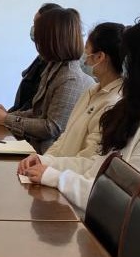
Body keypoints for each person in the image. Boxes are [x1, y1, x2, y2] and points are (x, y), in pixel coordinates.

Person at [18, 16, 140, 212]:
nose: (123, 67)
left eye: (128, 59)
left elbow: (125, 198)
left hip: (126, 226)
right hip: (102, 215)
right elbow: (97, 165)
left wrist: (55, 177)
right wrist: (48, 163)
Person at [0, 8, 93, 152]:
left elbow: (52, 127)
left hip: (48, 155)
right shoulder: (53, 67)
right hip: (34, 146)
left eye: (40, 36)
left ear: (51, 40)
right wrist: (4, 116)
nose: (37, 41)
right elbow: (37, 112)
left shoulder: (71, 78)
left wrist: (5, 119)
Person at [39, 22, 125, 159]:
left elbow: (88, 158)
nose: (83, 56)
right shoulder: (91, 90)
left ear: (100, 57)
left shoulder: (114, 102)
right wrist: (43, 159)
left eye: (87, 49)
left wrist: (48, 166)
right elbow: (65, 137)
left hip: (67, 171)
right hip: (56, 168)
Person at [9, 2, 62, 112]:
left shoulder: (58, 65)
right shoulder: (42, 57)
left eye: (37, 25)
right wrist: (6, 115)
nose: (33, 29)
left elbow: (37, 107)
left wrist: (7, 118)